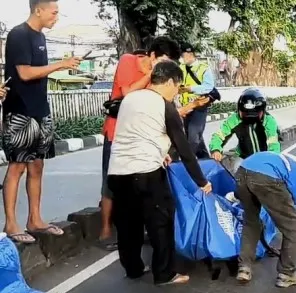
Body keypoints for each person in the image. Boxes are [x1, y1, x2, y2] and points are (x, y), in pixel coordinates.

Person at [107, 60, 212, 286]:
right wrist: (202, 182)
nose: (176, 92)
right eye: (177, 87)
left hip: (116, 172)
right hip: (145, 173)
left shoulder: (130, 98)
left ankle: (133, 269)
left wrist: (160, 151)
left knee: (128, 224)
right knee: (161, 220)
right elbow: (184, 150)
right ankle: (164, 273)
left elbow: (140, 132)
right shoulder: (165, 106)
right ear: (171, 82)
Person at [2, 0, 82, 244]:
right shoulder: (18, 34)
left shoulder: (41, 38)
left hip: (40, 110)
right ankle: (11, 223)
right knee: (18, 166)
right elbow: (24, 73)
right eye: (54, 12)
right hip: (19, 111)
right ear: (38, 10)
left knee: (37, 165)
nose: (56, 17)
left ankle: (35, 219)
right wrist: (61, 64)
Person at [98, 36, 181, 251]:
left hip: (143, 135)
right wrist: (150, 74)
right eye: (163, 60)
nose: (164, 66)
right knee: (111, 182)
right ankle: (106, 230)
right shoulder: (129, 61)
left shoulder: (160, 79)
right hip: (118, 131)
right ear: (152, 56)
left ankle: (137, 233)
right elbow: (128, 93)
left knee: (142, 187)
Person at [234, 151, 296, 287]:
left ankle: (244, 267)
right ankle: (287, 274)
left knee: (251, 221)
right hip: (267, 177)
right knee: (293, 227)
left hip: (243, 170)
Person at [209, 88, 280, 161]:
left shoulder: (269, 121)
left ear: (263, 110)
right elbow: (219, 135)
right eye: (246, 113)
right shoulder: (234, 119)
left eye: (254, 114)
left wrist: (272, 159)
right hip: (243, 159)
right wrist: (215, 150)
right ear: (239, 110)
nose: (250, 117)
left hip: (265, 159)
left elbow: (273, 144)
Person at [179, 43, 216, 158]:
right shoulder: (180, 68)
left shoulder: (204, 68)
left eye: (183, 55)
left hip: (199, 106)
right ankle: (205, 159)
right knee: (192, 135)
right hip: (186, 107)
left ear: (190, 55)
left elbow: (208, 86)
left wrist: (191, 88)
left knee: (193, 137)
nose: (182, 57)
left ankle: (187, 162)